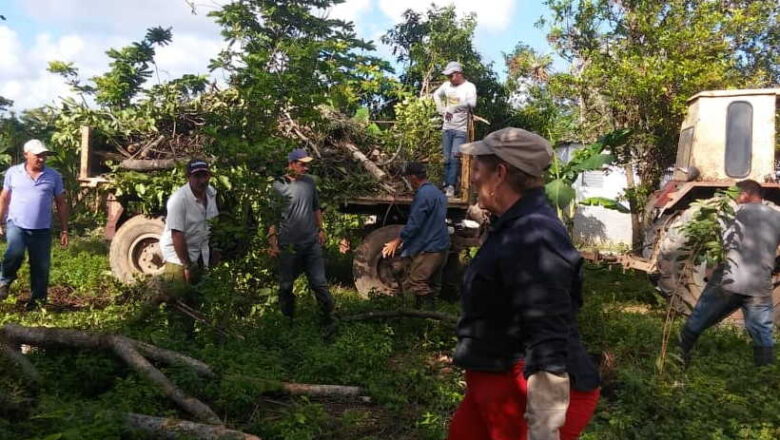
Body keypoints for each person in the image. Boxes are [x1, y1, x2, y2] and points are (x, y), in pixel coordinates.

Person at [448, 128, 600, 440]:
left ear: (500, 173)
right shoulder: (513, 225)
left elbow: (548, 327)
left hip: (519, 387)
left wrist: (544, 423)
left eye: (477, 169)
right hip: (491, 383)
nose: (473, 178)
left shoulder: (535, 235)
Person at [679, 179, 780, 367]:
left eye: (736, 196)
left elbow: (718, 245)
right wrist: (773, 266)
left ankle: (678, 361)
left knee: (698, 319)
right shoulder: (777, 216)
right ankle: (766, 376)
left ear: (744, 195)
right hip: (760, 284)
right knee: (762, 332)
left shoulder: (732, 213)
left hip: (729, 280)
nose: (735, 200)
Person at [0, 139, 69, 310]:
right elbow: (4, 198)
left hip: (42, 230)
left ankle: (37, 303)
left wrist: (64, 230)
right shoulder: (13, 173)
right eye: (37, 156)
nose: (41, 159)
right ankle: (4, 282)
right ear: (26, 155)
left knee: (40, 266)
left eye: (44, 156)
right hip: (17, 224)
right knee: (14, 253)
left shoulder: (54, 176)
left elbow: (61, 203)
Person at [269, 148, 334, 323]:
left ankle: (328, 321)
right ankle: (287, 322)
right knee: (286, 285)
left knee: (319, 283)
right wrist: (273, 243)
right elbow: (272, 217)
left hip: (311, 243)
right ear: (291, 164)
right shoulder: (278, 186)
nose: (305, 168)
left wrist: (321, 229)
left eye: (307, 165)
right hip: (288, 245)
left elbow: (316, 208)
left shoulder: (309, 183)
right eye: (302, 164)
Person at [158, 159, 219, 332]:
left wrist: (215, 250)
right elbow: (177, 235)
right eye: (197, 176)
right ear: (188, 177)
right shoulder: (179, 199)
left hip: (200, 251)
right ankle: (176, 340)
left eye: (205, 175)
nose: (202, 180)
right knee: (177, 300)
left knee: (195, 298)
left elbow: (213, 224)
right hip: (177, 256)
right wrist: (187, 265)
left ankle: (190, 337)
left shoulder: (211, 194)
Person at [381, 162, 450, 309]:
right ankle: (430, 321)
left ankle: (426, 317)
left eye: (408, 178)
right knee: (432, 284)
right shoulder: (437, 193)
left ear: (413, 177)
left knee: (416, 283)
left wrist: (397, 241)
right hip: (442, 247)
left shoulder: (423, 195)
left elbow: (414, 223)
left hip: (430, 248)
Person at [433, 61, 477, 198]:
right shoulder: (446, 85)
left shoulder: (469, 87)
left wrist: (454, 107)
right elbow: (436, 95)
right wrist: (441, 109)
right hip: (447, 128)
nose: (449, 79)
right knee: (446, 158)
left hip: (460, 129)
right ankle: (446, 185)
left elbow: (472, 103)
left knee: (454, 157)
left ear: (458, 74)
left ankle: (451, 186)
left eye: (451, 76)